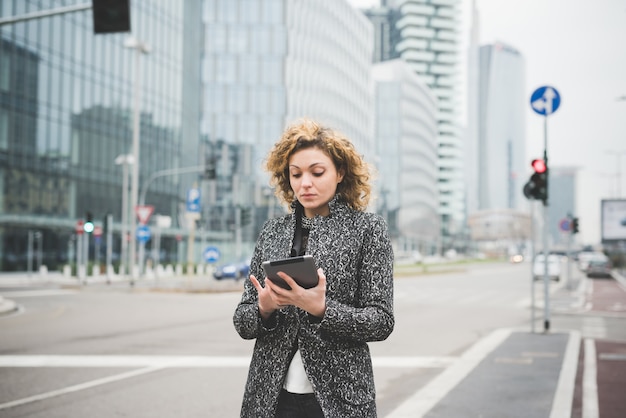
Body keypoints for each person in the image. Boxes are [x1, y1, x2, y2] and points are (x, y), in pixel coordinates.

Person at [233, 118, 394, 418]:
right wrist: (263, 308)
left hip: (339, 398)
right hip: (270, 397)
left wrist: (323, 310)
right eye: (296, 174)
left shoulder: (368, 230)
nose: (305, 183)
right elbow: (242, 321)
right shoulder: (272, 232)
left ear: (340, 172)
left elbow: (381, 320)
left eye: (317, 172)